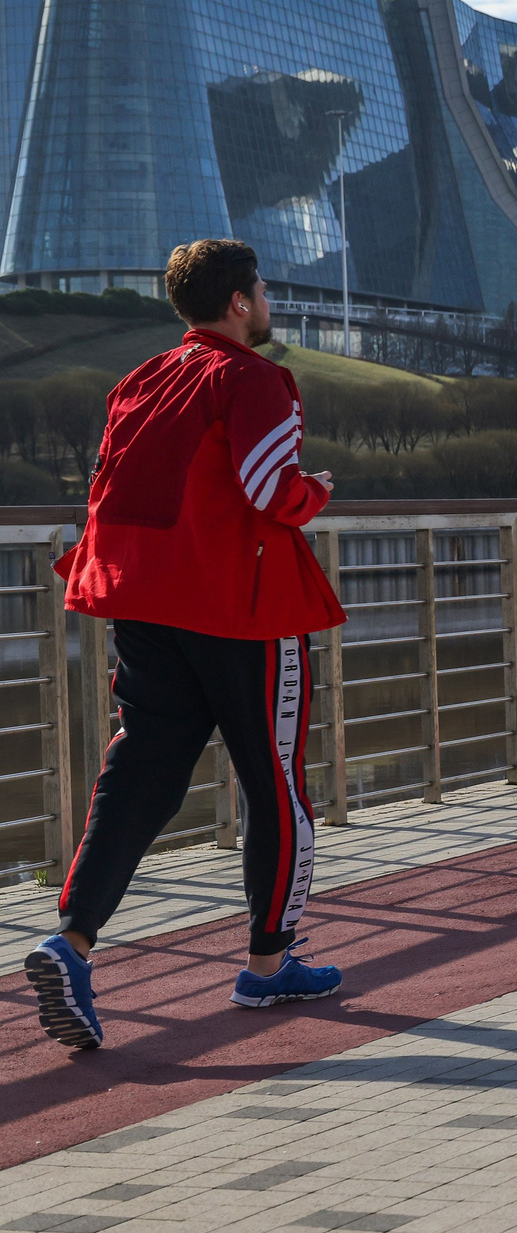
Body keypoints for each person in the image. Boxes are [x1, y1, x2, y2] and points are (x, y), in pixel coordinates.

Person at [23, 240, 348, 1054]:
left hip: (142, 604)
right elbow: (272, 487)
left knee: (138, 777)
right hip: (240, 608)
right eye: (264, 291)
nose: (269, 303)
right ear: (239, 302)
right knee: (273, 784)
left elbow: (109, 485)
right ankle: (268, 965)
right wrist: (317, 494)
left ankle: (73, 941)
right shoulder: (254, 378)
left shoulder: (140, 380)